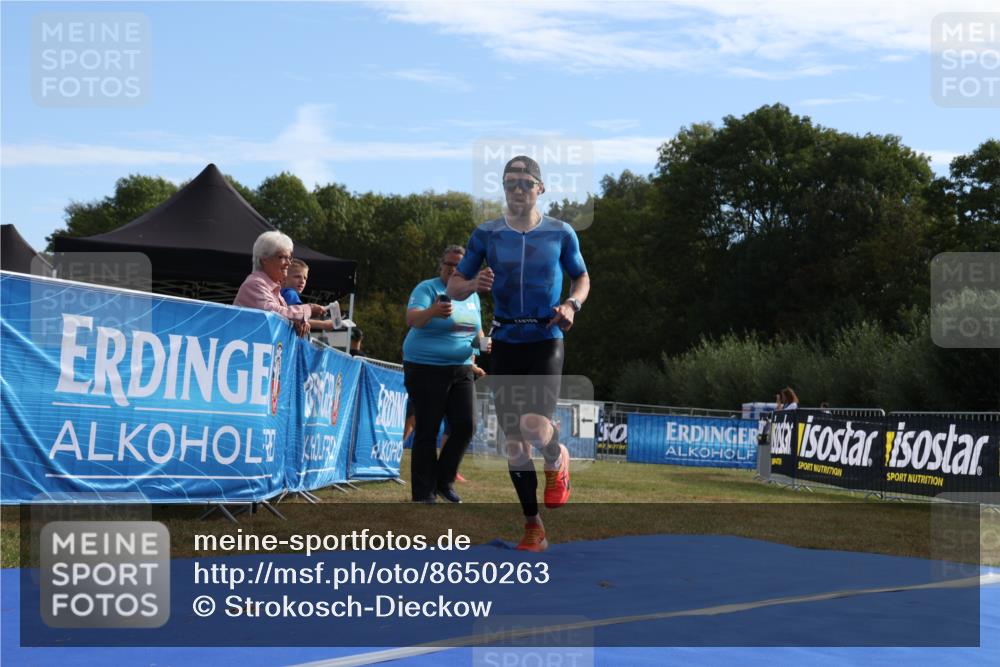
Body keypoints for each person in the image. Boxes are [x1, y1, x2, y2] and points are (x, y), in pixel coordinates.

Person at [448, 155, 590, 552]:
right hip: (506, 340)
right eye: (510, 183)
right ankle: (533, 527)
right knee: (513, 444)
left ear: (540, 188)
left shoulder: (561, 233)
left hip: (545, 338)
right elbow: (454, 286)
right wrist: (474, 282)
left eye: (525, 182)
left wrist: (571, 306)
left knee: (532, 426)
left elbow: (581, 276)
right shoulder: (487, 234)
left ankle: (556, 452)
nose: (517, 189)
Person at [402, 245, 487, 503]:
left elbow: (477, 332)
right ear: (442, 265)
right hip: (425, 366)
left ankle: (443, 480)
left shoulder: (472, 295)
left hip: (461, 367)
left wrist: (483, 344)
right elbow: (412, 319)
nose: (453, 269)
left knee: (466, 424)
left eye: (458, 266)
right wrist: (433, 312)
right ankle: (423, 493)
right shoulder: (428, 289)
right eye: (449, 264)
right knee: (427, 428)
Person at [234, 231, 325, 337]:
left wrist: (297, 323)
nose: (288, 263)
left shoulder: (274, 290)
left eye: (289, 258)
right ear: (265, 259)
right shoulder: (255, 284)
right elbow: (274, 313)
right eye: (282, 257)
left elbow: (283, 316)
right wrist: (308, 309)